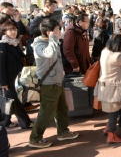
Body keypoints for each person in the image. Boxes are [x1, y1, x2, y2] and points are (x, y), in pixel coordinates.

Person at [29, 19, 79, 148]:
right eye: (57, 29)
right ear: (49, 32)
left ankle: (63, 131)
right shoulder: (39, 44)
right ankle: (35, 138)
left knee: (62, 108)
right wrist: (52, 39)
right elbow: (49, 54)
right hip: (48, 83)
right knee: (46, 112)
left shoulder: (53, 41)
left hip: (57, 80)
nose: (59, 32)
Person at [95, 34, 121, 143]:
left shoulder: (105, 51)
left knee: (112, 110)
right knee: (114, 112)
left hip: (105, 86)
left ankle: (108, 128)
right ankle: (111, 135)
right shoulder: (116, 57)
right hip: (113, 88)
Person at [0, 21, 33, 129]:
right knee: (14, 101)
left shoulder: (13, 43)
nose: (13, 32)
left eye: (14, 29)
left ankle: (5, 122)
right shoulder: (3, 45)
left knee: (11, 102)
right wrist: (3, 82)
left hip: (17, 78)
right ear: (4, 32)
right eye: (10, 30)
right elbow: (1, 65)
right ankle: (25, 122)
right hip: (8, 80)